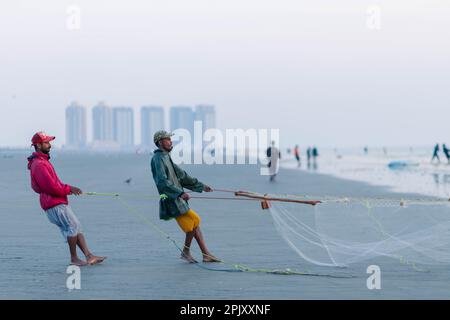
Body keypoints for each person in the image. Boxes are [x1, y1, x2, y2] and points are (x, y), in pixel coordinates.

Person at [27, 132, 106, 266]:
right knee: (73, 226)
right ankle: (74, 259)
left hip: (54, 203)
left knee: (76, 226)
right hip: (54, 204)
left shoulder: (41, 162)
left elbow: (38, 187)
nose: (50, 145)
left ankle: (89, 256)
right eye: (46, 142)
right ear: (38, 145)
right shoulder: (39, 164)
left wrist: (66, 189)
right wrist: (69, 189)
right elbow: (51, 187)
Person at [151, 130, 220, 264]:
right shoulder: (157, 159)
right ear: (160, 142)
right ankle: (187, 252)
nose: (171, 142)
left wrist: (201, 186)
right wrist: (180, 193)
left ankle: (205, 254)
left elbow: (181, 175)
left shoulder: (165, 157)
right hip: (171, 200)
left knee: (194, 223)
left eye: (170, 139)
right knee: (193, 221)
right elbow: (162, 182)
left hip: (178, 199)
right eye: (168, 139)